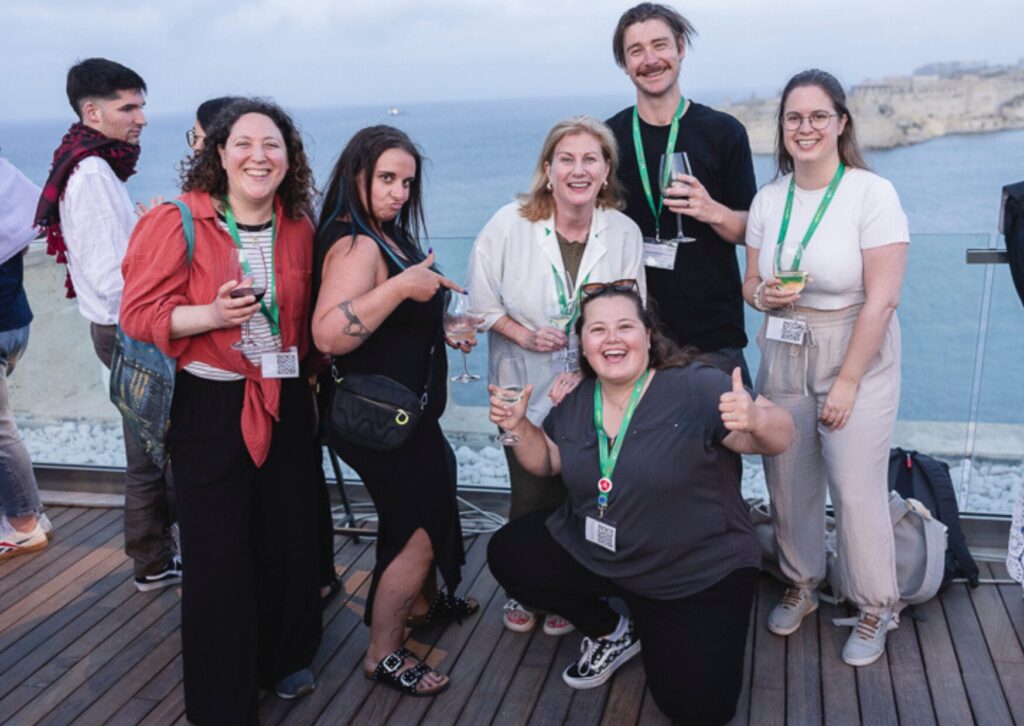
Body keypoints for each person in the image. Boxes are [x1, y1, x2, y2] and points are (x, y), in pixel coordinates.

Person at [487, 282, 793, 725]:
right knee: (511, 552)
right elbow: (548, 460)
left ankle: (660, 626)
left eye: (625, 326)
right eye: (597, 330)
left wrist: (758, 418)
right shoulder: (576, 400)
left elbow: (781, 436)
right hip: (604, 553)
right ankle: (614, 630)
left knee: (699, 710)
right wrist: (518, 427)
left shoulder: (696, 386)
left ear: (648, 335)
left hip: (694, 574)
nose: (612, 338)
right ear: (583, 345)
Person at [120, 98, 323, 721]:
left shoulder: (298, 224)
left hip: (284, 396)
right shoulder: (178, 219)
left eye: (273, 146)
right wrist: (210, 316)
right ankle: (222, 702)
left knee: (283, 539)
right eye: (244, 143)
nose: (259, 156)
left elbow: (306, 316)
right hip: (210, 403)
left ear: (290, 161)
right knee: (216, 556)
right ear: (218, 152)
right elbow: (137, 313)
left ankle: (280, 658)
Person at [743, 69, 910, 667]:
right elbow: (750, 285)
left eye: (818, 116)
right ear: (782, 129)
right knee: (788, 479)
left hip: (855, 344)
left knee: (855, 485)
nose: (805, 127)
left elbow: (884, 297)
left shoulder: (871, 193)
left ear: (841, 122)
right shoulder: (768, 198)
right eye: (794, 117)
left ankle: (874, 605)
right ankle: (803, 582)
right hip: (785, 340)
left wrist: (846, 381)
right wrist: (765, 297)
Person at [312, 125, 476, 697]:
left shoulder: (382, 231)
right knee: (417, 530)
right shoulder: (356, 244)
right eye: (387, 178)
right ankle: (383, 652)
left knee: (425, 504)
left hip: (404, 417)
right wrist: (403, 289)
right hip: (381, 423)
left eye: (407, 181)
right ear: (356, 174)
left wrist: (445, 325)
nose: (400, 192)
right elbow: (330, 332)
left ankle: (424, 604)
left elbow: (393, 319)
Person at [467, 115, 645, 635]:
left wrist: (590, 369)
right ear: (548, 169)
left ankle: (570, 589)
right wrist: (524, 336)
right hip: (520, 380)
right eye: (566, 159)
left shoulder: (624, 232)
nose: (578, 169)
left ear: (606, 170)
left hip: (594, 383)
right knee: (529, 491)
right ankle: (525, 586)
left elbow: (634, 314)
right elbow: (479, 307)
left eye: (591, 158)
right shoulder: (508, 224)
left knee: (582, 488)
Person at [34, 58, 179, 592]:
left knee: (151, 447)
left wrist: (141, 228)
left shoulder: (91, 162)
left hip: (120, 326)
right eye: (129, 107)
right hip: (128, 328)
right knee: (152, 453)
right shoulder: (93, 172)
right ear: (92, 112)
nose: (141, 118)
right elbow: (111, 274)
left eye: (142, 104)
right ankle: (153, 561)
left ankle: (156, 556)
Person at [605, 3, 757, 383]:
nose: (650, 59)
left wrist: (711, 211)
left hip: (713, 337)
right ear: (624, 63)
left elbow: (751, 232)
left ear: (681, 48)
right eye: (636, 51)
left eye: (660, 45)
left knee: (726, 437)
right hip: (633, 335)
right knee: (636, 443)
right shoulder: (608, 139)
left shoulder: (724, 132)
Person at [0, 156, 53, 560]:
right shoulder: (7, 177)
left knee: (1, 431)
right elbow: (41, 213)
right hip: (17, 321)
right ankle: (28, 511)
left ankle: (23, 525)